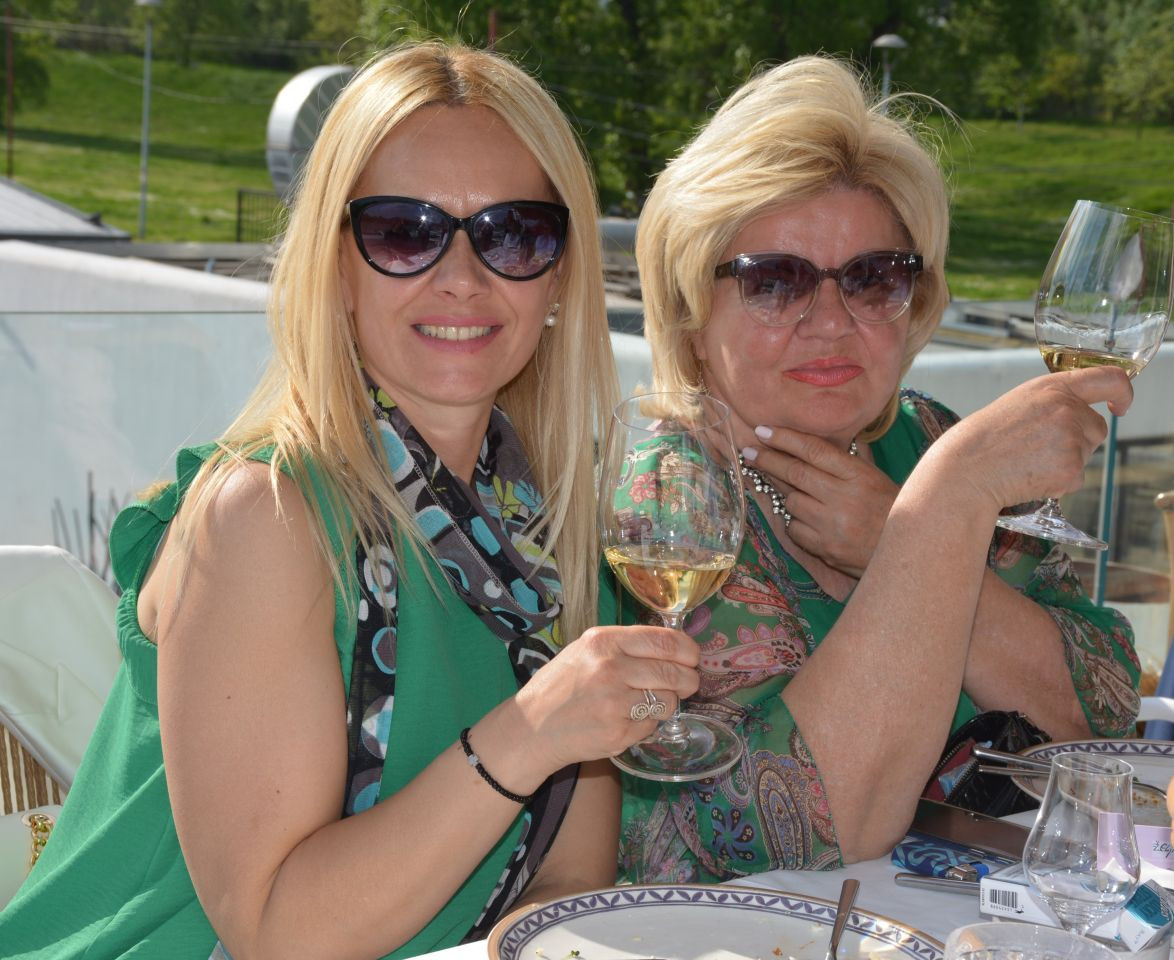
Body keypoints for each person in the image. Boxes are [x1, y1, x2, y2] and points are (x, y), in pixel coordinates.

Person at [0, 42, 704, 960]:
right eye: (405, 232)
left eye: (513, 233)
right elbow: (276, 931)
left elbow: (567, 883)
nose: (463, 276)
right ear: (333, 264)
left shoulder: (553, 527)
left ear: (561, 272)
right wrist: (530, 732)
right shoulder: (264, 515)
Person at [614, 55, 1141, 881]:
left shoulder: (923, 437)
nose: (831, 321)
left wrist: (899, 535)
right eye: (774, 282)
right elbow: (791, 829)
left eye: (873, 279)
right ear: (690, 311)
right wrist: (937, 517)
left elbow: (1103, 712)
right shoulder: (667, 505)